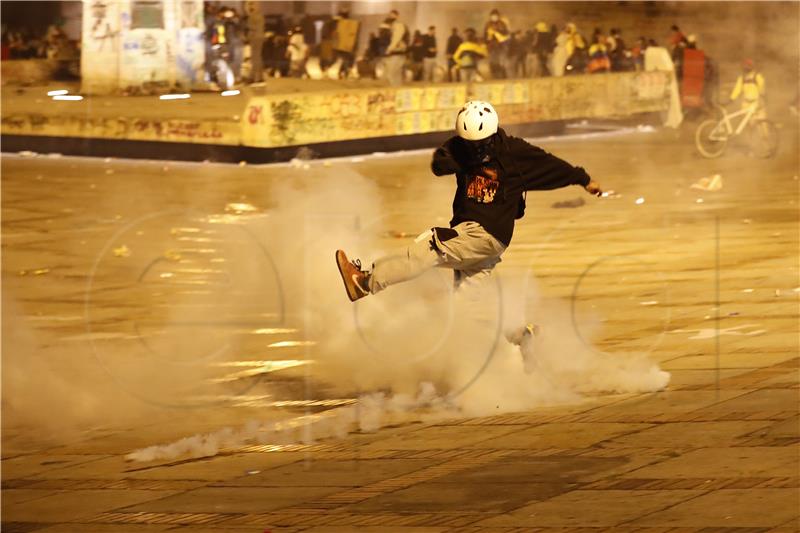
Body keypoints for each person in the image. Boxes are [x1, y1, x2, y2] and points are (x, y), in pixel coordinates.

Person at [335, 100, 603, 315]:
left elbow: (551, 166)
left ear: (493, 133)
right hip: (477, 239)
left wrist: (584, 179)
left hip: (486, 233)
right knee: (465, 314)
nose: (476, 150)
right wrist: (452, 159)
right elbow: (439, 164)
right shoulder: (460, 148)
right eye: (470, 144)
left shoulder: (513, 152)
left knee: (432, 245)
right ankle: (520, 340)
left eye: (481, 144)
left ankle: (365, 282)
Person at [379, 10, 409, 86]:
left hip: (396, 53)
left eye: (392, 15)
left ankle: (394, 92)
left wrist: (389, 49)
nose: (390, 16)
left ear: (397, 16)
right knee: (393, 75)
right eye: (390, 15)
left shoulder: (398, 25)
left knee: (391, 75)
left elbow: (396, 39)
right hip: (392, 53)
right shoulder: (390, 25)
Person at [484, 9, 511, 79]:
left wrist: (496, 32)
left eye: (495, 16)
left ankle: (503, 76)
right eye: (492, 16)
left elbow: (506, 34)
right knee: (492, 62)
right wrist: (487, 40)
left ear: (498, 16)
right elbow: (485, 35)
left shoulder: (502, 24)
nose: (494, 17)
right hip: (491, 46)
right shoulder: (488, 24)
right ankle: (494, 76)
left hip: (501, 46)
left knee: (501, 62)